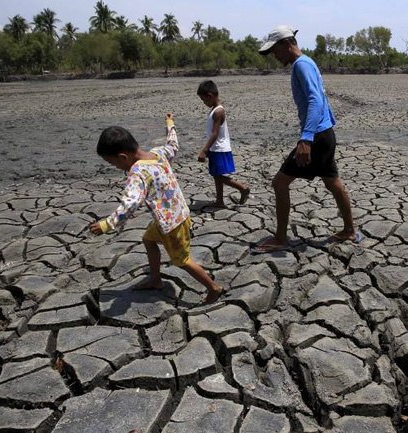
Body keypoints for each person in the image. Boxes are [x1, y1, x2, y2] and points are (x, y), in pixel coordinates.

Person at [89, 114, 223, 304]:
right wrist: (170, 124)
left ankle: (213, 287)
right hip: (176, 215)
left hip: (172, 224)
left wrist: (106, 225)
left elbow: (131, 204)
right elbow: (173, 145)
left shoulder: (138, 172)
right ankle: (155, 279)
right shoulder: (158, 152)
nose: (117, 167)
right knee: (148, 240)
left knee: (182, 260)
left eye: (114, 164)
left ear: (123, 157)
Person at [253, 25, 359, 253]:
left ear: (286, 43)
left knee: (279, 183)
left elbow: (315, 100)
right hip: (325, 133)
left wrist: (306, 138)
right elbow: (321, 99)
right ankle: (350, 230)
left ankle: (281, 238)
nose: (274, 55)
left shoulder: (301, 65)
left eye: (274, 50)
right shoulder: (307, 63)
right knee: (332, 182)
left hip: (317, 136)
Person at [197, 80, 250, 208]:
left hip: (219, 149)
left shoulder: (218, 112)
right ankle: (219, 201)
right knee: (217, 175)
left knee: (218, 176)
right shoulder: (215, 109)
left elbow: (215, 134)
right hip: (216, 148)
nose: (204, 103)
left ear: (209, 96)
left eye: (204, 100)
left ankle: (242, 188)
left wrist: (204, 150)